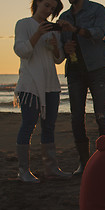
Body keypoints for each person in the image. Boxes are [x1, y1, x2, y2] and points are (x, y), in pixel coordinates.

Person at [13, 0, 71, 183]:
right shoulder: (23, 24)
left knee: (49, 126)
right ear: (37, 3)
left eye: (52, 9)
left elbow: (59, 59)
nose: (48, 10)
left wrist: (55, 46)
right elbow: (21, 51)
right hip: (30, 85)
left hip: (51, 85)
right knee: (28, 124)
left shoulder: (53, 29)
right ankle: (23, 170)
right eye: (46, 5)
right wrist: (38, 33)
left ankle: (51, 168)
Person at [57, 0, 105, 175]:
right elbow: (59, 47)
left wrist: (75, 30)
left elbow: (99, 33)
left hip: (97, 68)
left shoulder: (97, 9)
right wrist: (64, 48)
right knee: (76, 117)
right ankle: (84, 163)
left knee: (102, 116)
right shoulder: (64, 16)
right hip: (74, 71)